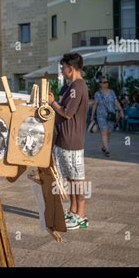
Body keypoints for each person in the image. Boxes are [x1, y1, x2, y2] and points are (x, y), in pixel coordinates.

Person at [48, 53, 89, 230]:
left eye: (63, 68)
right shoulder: (73, 86)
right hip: (66, 139)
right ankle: (73, 211)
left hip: (72, 141)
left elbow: (66, 112)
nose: (62, 71)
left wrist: (52, 102)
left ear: (70, 69)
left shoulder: (77, 87)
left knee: (77, 179)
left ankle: (81, 215)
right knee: (71, 178)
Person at [90, 76, 124, 157]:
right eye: (104, 82)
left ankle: (104, 146)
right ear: (100, 84)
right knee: (104, 131)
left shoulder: (112, 92)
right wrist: (92, 116)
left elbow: (116, 102)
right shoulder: (97, 94)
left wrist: (121, 110)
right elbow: (95, 105)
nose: (106, 83)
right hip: (101, 115)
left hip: (111, 115)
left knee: (109, 132)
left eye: (106, 82)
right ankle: (107, 150)